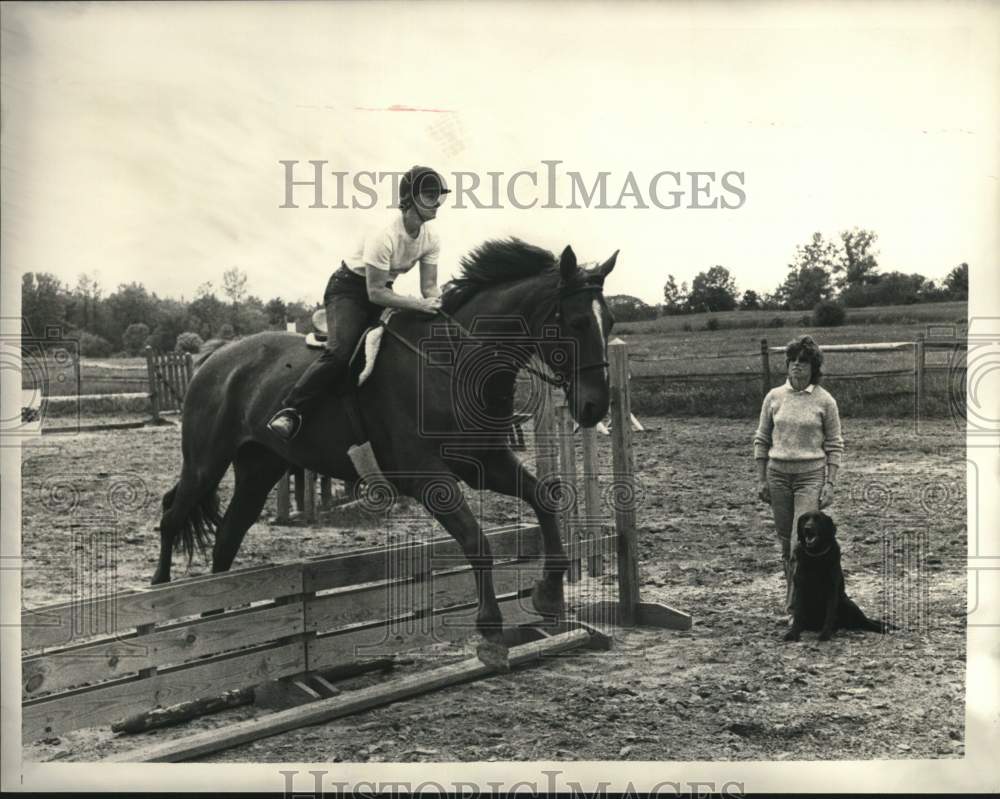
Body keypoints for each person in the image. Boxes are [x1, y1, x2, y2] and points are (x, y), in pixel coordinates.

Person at [267, 165, 450, 440]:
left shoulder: (432, 237)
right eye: (429, 196)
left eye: (439, 196)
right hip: (349, 290)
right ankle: (290, 410)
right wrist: (420, 305)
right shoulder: (384, 234)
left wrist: (442, 307)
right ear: (410, 200)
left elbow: (428, 287)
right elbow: (375, 293)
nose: (437, 202)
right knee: (340, 352)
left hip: (382, 289)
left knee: (399, 347)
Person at [753, 334, 844, 614]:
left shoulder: (825, 401)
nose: (797, 367)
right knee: (784, 543)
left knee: (799, 542)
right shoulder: (774, 397)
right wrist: (761, 479)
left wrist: (829, 483)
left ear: (813, 367)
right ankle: (794, 599)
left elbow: (834, 444)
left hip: (810, 477)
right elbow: (762, 439)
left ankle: (798, 606)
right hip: (778, 475)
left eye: (803, 363)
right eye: (792, 362)